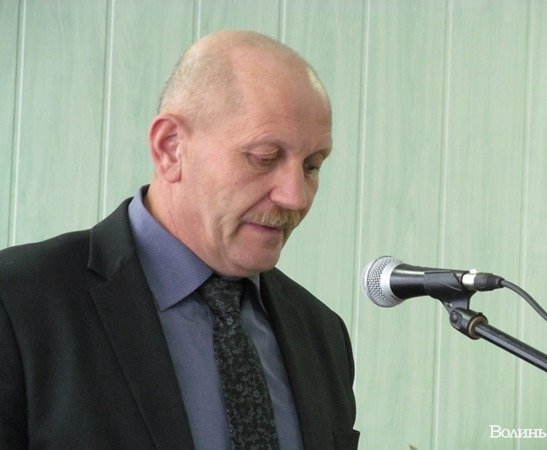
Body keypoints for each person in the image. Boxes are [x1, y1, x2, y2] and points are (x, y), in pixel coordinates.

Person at [0, 30, 359, 449]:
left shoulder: (323, 334)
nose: (296, 197)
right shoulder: (17, 302)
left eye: (312, 166)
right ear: (170, 148)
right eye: (264, 158)